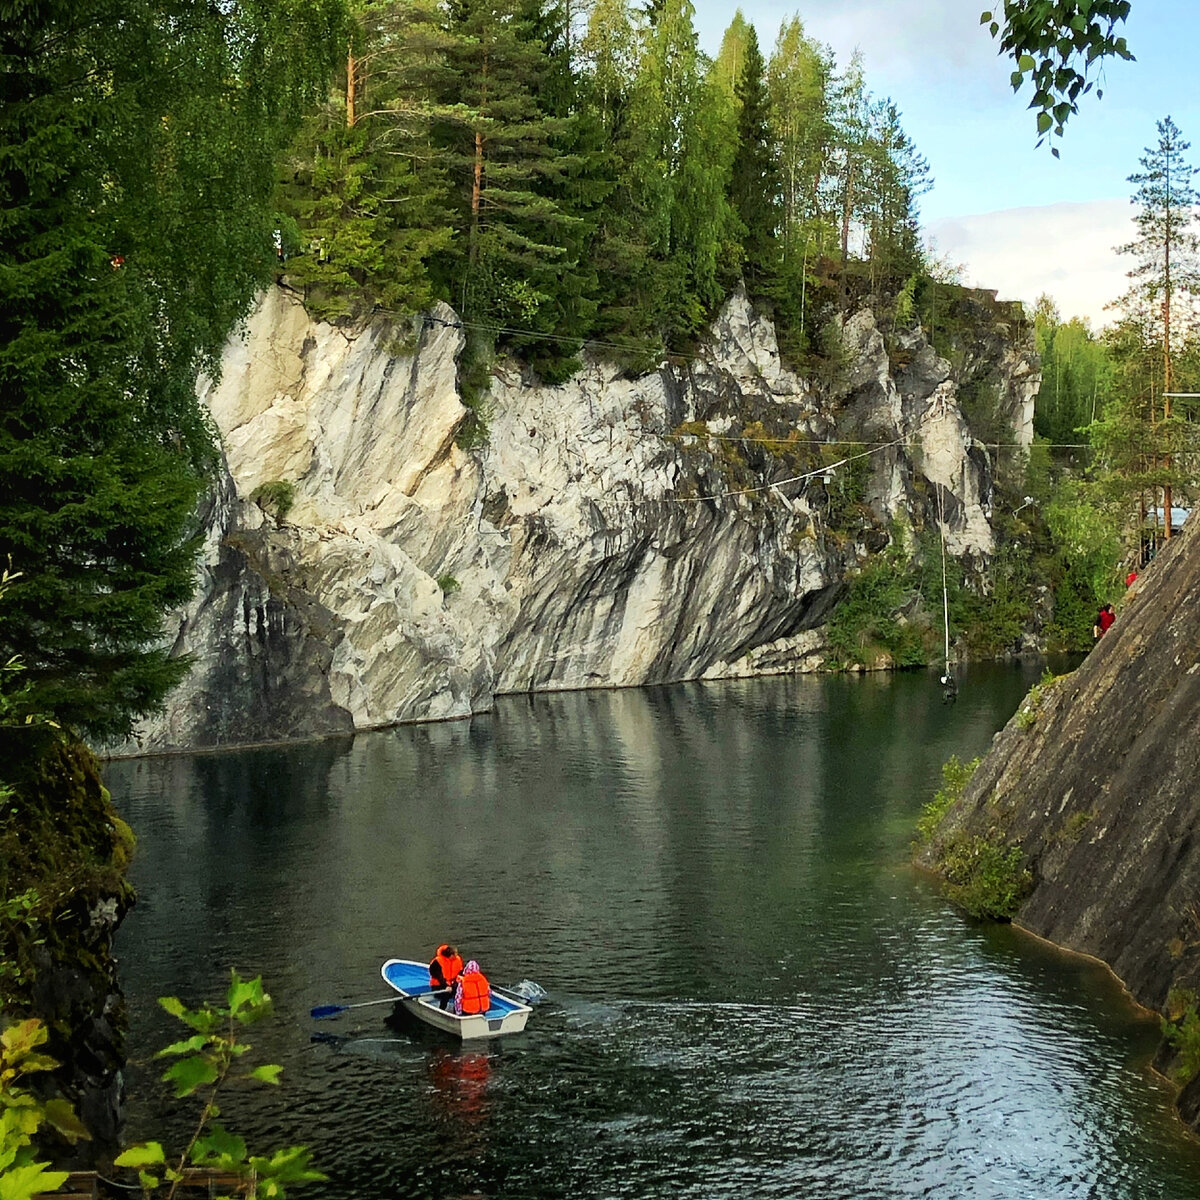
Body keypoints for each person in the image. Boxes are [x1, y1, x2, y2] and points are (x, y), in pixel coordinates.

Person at [429, 943, 463, 1010]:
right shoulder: (437, 962)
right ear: (449, 955)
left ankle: (460, 1008)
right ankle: (442, 1009)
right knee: (446, 994)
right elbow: (439, 976)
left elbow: (460, 973)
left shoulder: (457, 959)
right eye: (454, 955)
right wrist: (446, 986)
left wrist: (454, 984)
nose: (456, 957)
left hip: (453, 984)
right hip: (439, 985)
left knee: (462, 991)